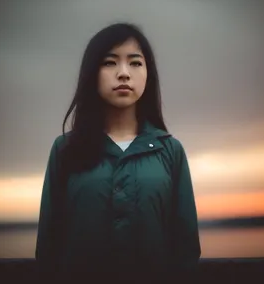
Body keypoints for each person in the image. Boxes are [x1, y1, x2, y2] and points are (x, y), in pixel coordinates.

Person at [35, 23, 201, 284]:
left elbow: (186, 249)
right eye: (110, 63)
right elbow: (48, 245)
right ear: (92, 73)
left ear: (149, 74)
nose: (124, 73)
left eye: (135, 63)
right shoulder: (65, 150)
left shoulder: (170, 150)